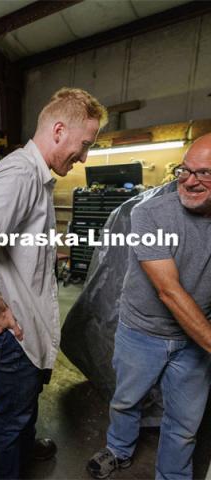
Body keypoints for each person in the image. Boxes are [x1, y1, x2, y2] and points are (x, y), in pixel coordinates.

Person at [0, 88, 107, 479]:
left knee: (25, 399)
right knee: (9, 415)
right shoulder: (19, 174)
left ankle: (24, 446)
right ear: (59, 130)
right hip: (12, 326)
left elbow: (12, 242)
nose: (84, 157)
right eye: (84, 145)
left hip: (27, 320)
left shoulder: (36, 175)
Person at [87, 134, 211, 480]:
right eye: (185, 170)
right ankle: (119, 449)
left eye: (204, 174)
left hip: (194, 342)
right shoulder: (150, 215)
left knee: (186, 423)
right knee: (127, 401)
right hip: (142, 332)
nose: (189, 180)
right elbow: (168, 290)